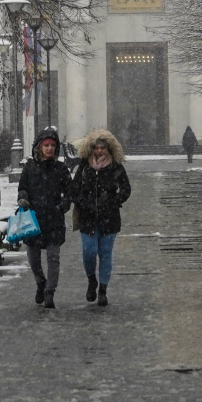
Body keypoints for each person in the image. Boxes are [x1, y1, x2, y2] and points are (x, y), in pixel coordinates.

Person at [69, 129, 131, 307]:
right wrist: (84, 202)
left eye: (103, 147)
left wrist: (113, 201)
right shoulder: (84, 166)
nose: (99, 151)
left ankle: (103, 290)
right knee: (89, 253)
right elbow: (74, 189)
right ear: (91, 148)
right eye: (96, 147)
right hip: (87, 217)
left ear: (109, 148)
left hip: (109, 217)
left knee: (105, 254)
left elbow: (126, 189)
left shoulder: (116, 167)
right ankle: (91, 280)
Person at [16, 126, 72, 308]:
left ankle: (50, 291)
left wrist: (63, 205)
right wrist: (23, 198)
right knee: (33, 258)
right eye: (46, 145)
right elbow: (22, 187)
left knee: (53, 257)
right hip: (33, 218)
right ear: (39, 147)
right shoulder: (30, 168)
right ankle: (40, 281)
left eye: (52, 145)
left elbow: (69, 192)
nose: (49, 148)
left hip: (54, 219)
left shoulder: (61, 169)